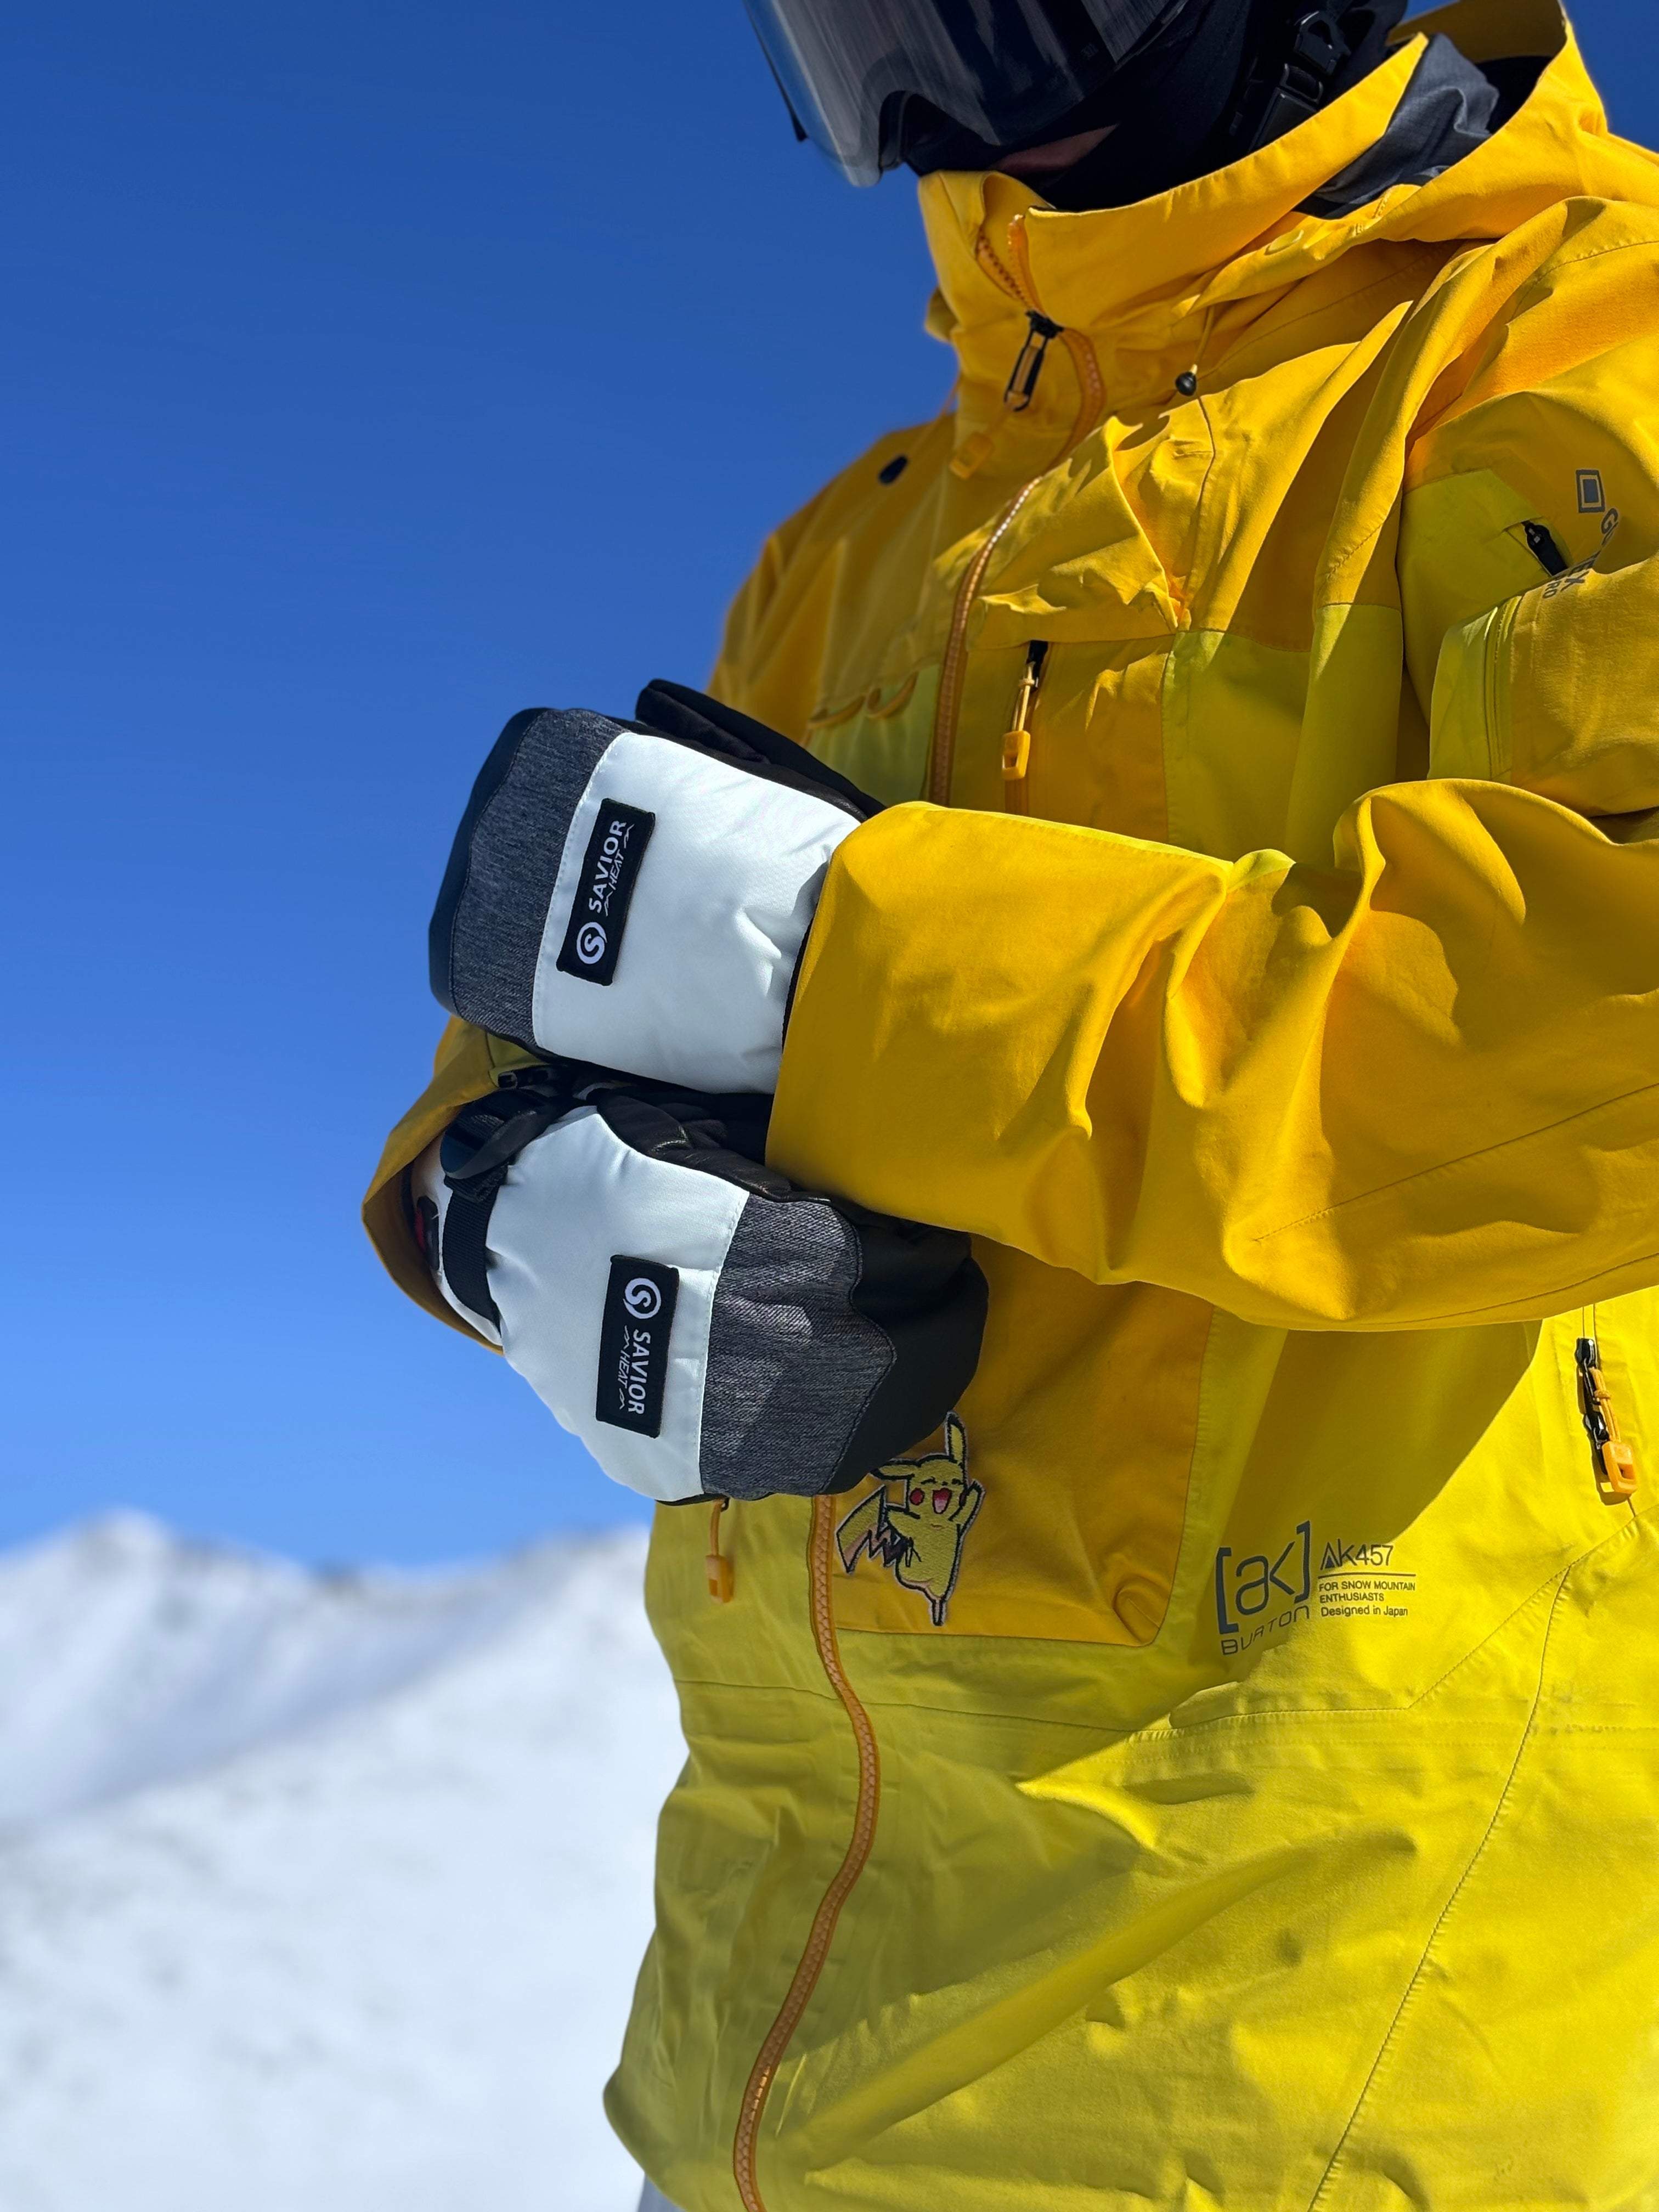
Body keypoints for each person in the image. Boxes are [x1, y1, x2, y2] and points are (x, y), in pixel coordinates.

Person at [365, 1, 1659, 2203]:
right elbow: (548, 1026)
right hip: (754, 2074)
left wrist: (844, 972)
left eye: (1000, 16)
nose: (938, 105)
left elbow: (1589, 1005)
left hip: (1313, 2093)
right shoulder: (853, 547)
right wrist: (504, 1207)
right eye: (862, 33)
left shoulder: (1574, 348)